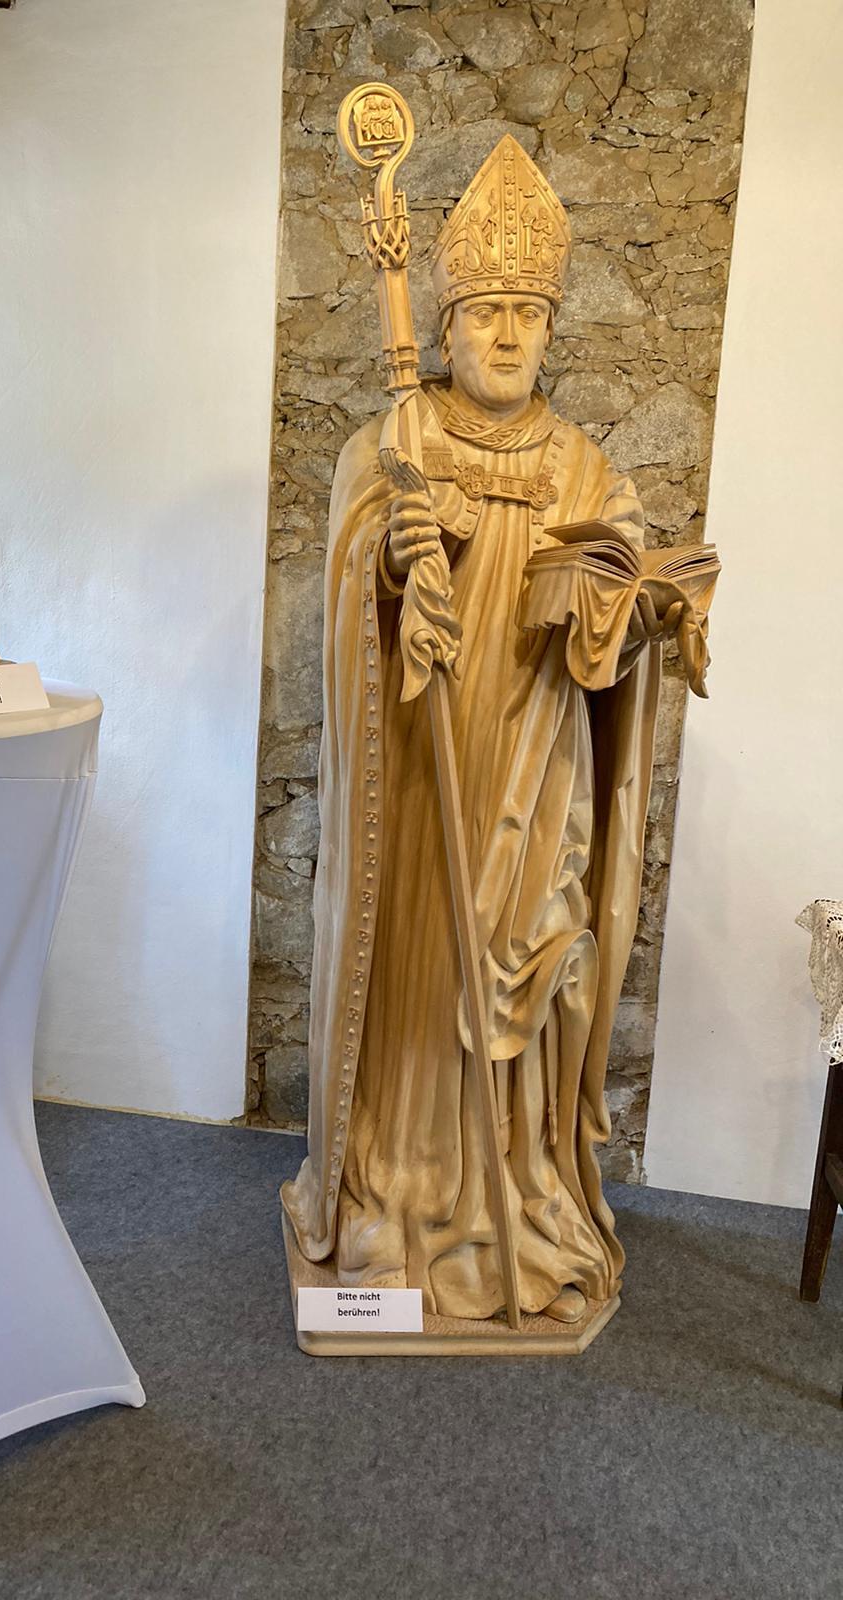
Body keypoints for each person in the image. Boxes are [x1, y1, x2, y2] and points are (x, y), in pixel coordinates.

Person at [282, 136, 682, 1323]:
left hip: (536, 770)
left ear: (552, 328)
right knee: (416, 977)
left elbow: (618, 613)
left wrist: (639, 605)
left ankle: (513, 1184)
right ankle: (398, 1186)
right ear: (447, 326)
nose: (508, 336)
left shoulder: (585, 469)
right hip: (419, 773)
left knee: (527, 974)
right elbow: (348, 580)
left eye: (528, 315)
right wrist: (390, 557)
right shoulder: (392, 447)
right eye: (487, 314)